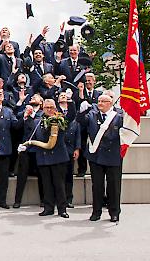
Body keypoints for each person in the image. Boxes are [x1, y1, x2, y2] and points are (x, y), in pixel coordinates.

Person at [77, 94, 123, 222]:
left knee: (113, 186)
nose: (100, 103)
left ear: (110, 103)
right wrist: (81, 111)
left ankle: (114, 212)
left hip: (113, 155)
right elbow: (81, 121)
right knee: (97, 185)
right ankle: (96, 212)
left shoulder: (119, 117)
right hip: (95, 155)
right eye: (99, 101)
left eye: (103, 101)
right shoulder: (92, 115)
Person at [34, 99, 70, 218]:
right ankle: (48, 208)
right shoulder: (38, 121)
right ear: (42, 108)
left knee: (59, 184)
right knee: (46, 184)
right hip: (43, 156)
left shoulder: (60, 119)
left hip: (58, 155)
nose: (49, 109)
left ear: (55, 108)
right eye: (46, 107)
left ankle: (62, 209)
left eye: (51, 107)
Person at [13, 94, 44, 208]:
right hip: (26, 149)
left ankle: (43, 199)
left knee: (41, 176)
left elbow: (36, 129)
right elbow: (16, 127)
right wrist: (25, 116)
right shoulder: (24, 113)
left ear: (41, 102)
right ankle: (17, 200)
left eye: (35, 98)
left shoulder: (43, 114)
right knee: (22, 175)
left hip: (38, 148)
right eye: (31, 98)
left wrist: (30, 117)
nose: (32, 99)